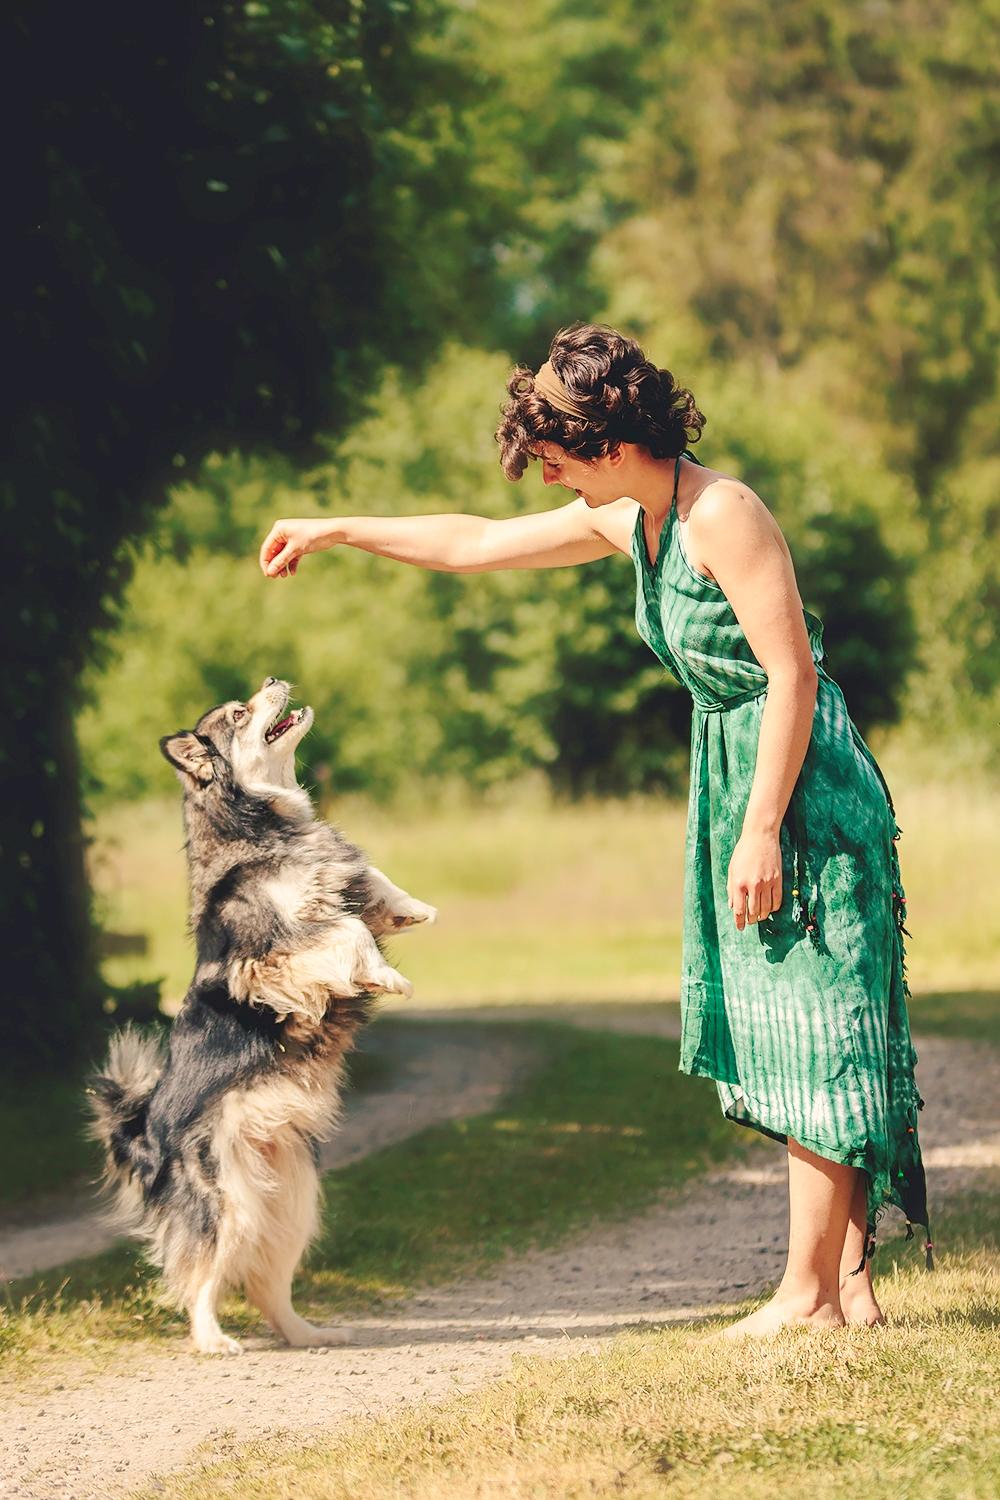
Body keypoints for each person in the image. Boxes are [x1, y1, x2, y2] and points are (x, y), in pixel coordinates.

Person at [258, 321, 931, 1337]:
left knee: (814, 1022)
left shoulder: (723, 515)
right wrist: (340, 526)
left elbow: (791, 676)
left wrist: (759, 832)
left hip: (799, 789)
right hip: (740, 775)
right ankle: (845, 1290)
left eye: (559, 461)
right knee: (794, 1015)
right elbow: (473, 544)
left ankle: (807, 1297)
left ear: (613, 442)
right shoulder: (634, 521)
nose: (549, 483)